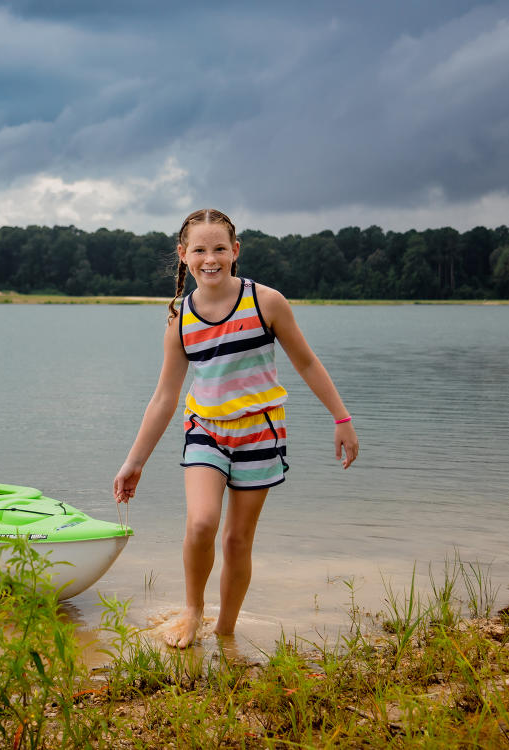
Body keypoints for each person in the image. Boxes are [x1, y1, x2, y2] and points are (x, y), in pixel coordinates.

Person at [113, 208, 358, 648]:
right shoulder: (180, 321)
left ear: (235, 250)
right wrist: (135, 462)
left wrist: (342, 419)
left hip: (259, 434)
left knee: (237, 539)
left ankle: (225, 631)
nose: (211, 258)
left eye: (220, 248)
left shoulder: (267, 302)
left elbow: (305, 362)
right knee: (202, 523)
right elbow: (165, 398)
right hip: (206, 430)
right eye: (200, 249)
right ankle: (192, 611)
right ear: (183, 254)